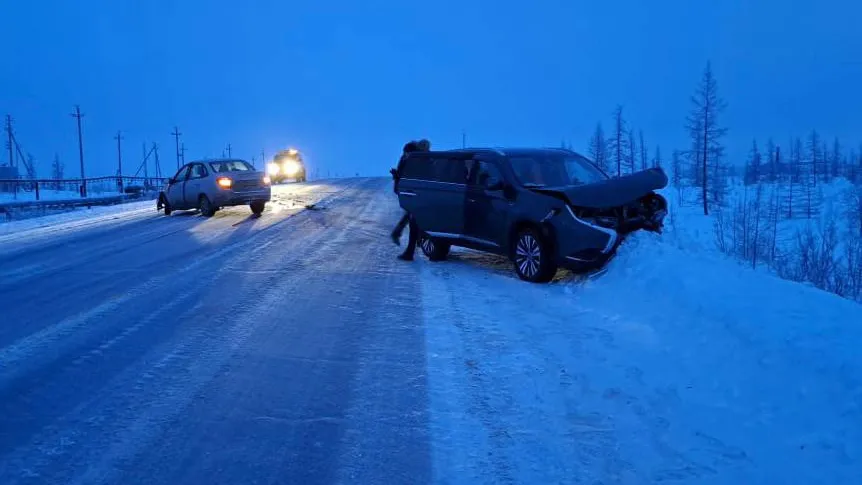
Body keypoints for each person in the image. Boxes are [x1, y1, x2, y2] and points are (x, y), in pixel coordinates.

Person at [391, 139, 430, 261]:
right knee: (411, 217)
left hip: (414, 192)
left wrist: (397, 176)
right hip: (412, 192)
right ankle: (409, 244)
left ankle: (409, 248)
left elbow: (408, 175)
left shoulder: (415, 159)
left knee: (412, 218)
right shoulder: (415, 158)